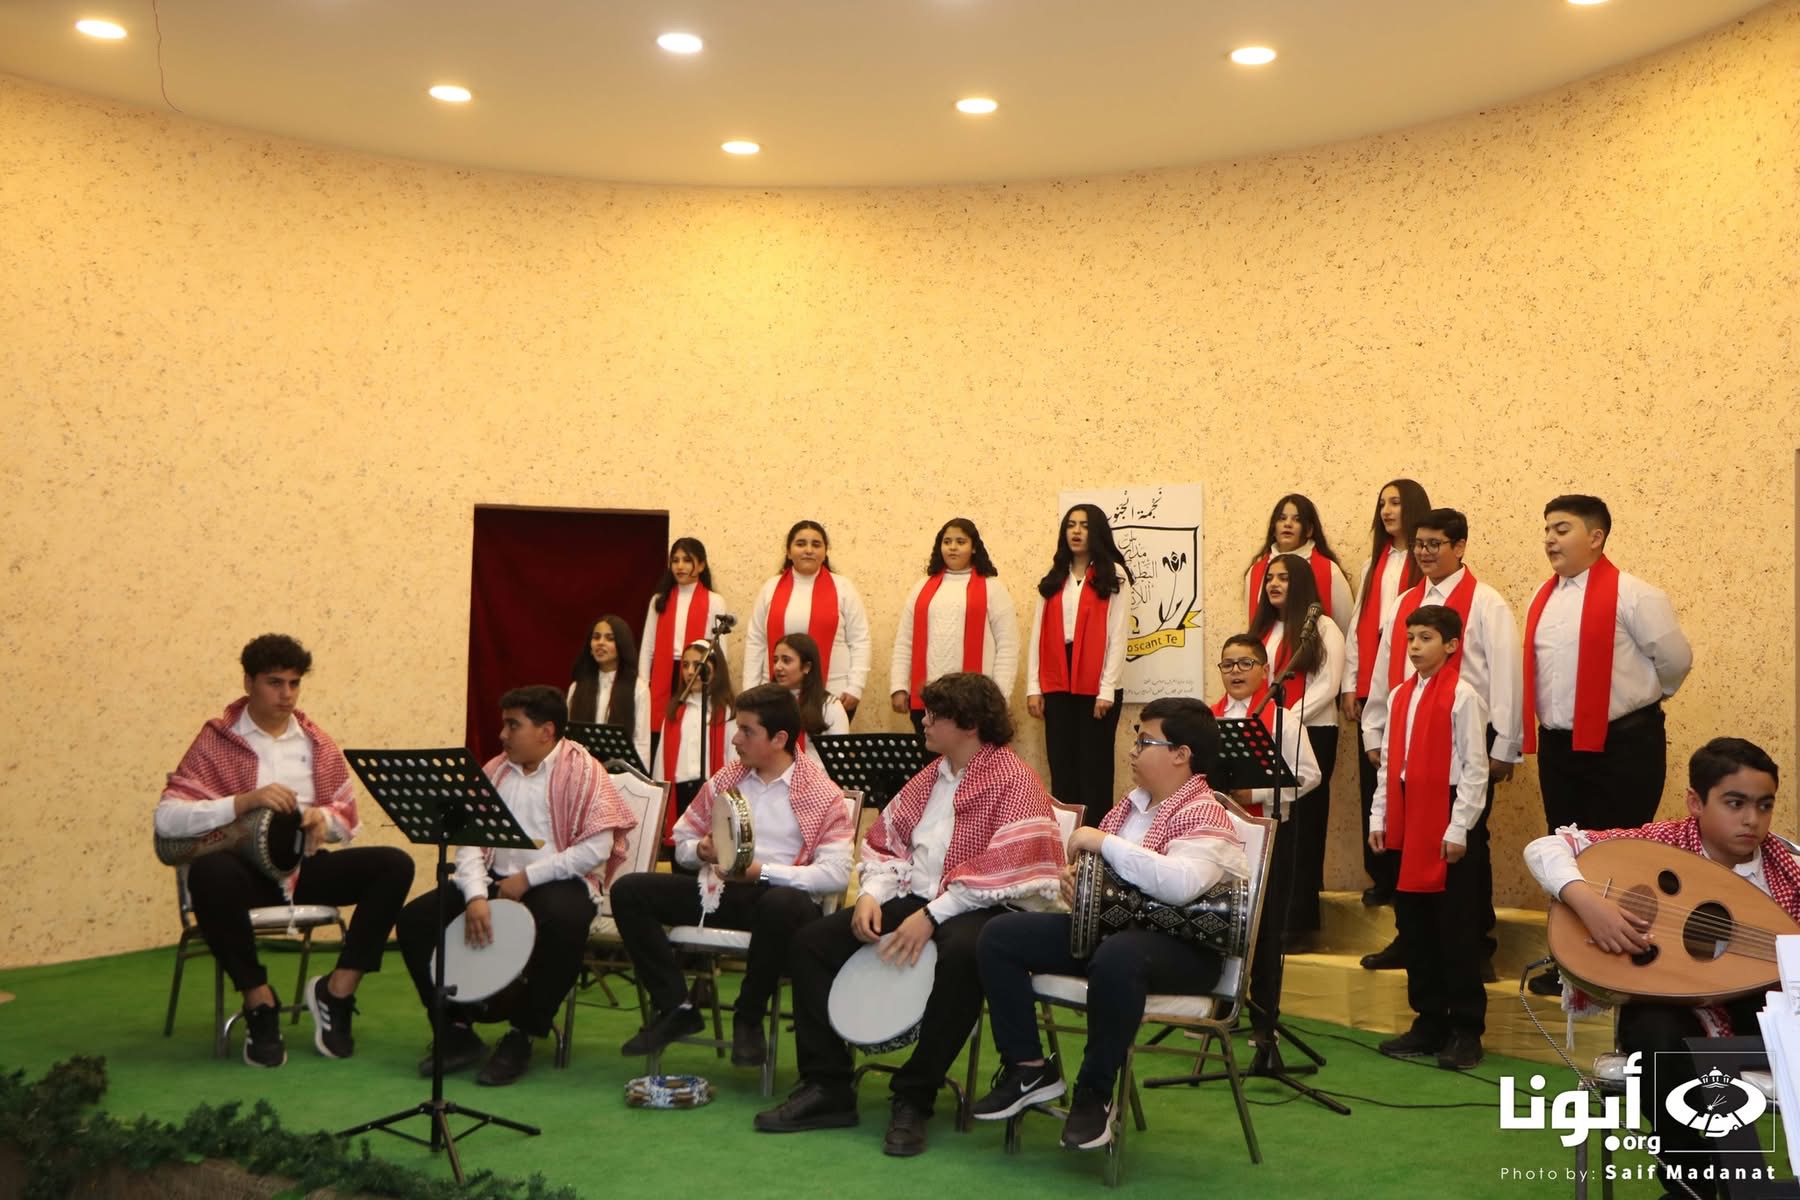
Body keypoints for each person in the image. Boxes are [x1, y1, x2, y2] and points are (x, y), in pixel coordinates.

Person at [754, 673, 1064, 1157]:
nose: (924, 721)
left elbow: (1007, 866)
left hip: (986, 905)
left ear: (969, 724)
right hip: (919, 896)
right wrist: (871, 895)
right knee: (812, 943)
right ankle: (828, 1085)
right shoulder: (930, 776)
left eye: (935, 714)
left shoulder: (1014, 778)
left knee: (965, 953)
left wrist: (933, 916)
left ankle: (915, 1096)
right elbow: (886, 842)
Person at [971, 697, 1250, 1150]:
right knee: (1000, 936)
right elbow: (1109, 884)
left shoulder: (1204, 812)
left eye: (1145, 742)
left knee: (1119, 956)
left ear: (1181, 754)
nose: (1133, 752)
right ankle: (1028, 1068)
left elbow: (1180, 884)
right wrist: (1078, 885)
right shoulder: (1130, 808)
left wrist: (1104, 844)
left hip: (1188, 952)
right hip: (1113, 940)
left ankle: (1094, 1093)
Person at [1523, 738, 1786, 1198]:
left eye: (1764, 806)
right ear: (1695, 802)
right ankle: (1693, 1176)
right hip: (1671, 1008)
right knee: (1651, 1035)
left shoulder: (1787, 869)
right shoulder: (1661, 845)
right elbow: (1545, 848)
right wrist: (1589, 905)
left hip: (1755, 1015)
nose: (1752, 820)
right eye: (1735, 803)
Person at [156, 634, 415, 1067]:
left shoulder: (314, 742)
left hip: (302, 870)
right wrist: (241, 803)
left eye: (294, 683)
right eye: (275, 683)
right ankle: (259, 1000)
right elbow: (166, 818)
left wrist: (322, 820)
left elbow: (348, 821)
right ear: (249, 682)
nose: (287, 694)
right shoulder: (218, 740)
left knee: (394, 865)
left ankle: (336, 992)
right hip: (240, 879)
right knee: (209, 873)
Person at [395, 686, 636, 1086]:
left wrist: (527, 879)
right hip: (492, 880)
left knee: (565, 920)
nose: (502, 735)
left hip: (557, 881)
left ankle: (523, 1033)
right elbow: (469, 843)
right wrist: (475, 896)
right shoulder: (495, 771)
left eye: (513, 725)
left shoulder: (585, 771)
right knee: (415, 921)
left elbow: (596, 848)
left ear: (546, 731)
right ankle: (454, 1029)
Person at [612, 684, 853, 1069]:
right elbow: (682, 840)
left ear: (779, 739)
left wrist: (763, 873)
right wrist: (700, 850)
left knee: (782, 903)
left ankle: (749, 1016)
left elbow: (837, 875)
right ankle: (676, 1007)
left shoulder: (822, 792)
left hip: (779, 905)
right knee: (629, 891)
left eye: (746, 731)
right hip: (719, 891)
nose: (735, 740)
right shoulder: (727, 779)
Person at [1522, 495, 1693, 996]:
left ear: (1595, 537)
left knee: (1619, 855)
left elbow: (1676, 660)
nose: (1550, 539)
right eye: (1547, 529)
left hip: (1623, 746)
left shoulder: (1635, 595)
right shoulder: (1542, 597)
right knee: (1568, 853)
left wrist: (1642, 699)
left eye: (1562, 529)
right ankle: (1569, 964)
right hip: (1560, 749)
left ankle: (1618, 966)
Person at [1360, 507, 1521, 975]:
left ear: (1459, 546)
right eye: (1420, 545)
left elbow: (1507, 675)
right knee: (1405, 841)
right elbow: (1386, 667)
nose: (1425, 553)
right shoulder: (1404, 603)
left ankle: (1474, 946)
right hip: (1409, 729)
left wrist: (1504, 745)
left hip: (1465, 735)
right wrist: (1374, 727)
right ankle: (1412, 940)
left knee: (1467, 844)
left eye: (1435, 544)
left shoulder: (1486, 602)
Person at [1367, 605, 1490, 1070]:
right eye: (1411, 638)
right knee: (1415, 929)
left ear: (1452, 645)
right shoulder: (1400, 695)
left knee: (1455, 930)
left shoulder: (1463, 696)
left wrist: (1459, 827)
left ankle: (1466, 1029)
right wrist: (1379, 818)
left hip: (1446, 812)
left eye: (1426, 638)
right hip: (1406, 813)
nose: (1416, 647)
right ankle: (1429, 1021)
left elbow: (1475, 769)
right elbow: (1389, 766)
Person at [1210, 635, 1321, 1037]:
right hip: (1217, 834)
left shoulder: (1283, 720)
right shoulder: (1208, 719)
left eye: (1245, 663)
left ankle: (1264, 1018)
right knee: (1219, 919)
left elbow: (1309, 775)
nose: (1235, 672)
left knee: (1266, 927)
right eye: (1227, 664)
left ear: (1265, 671)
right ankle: (1220, 1010)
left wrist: (1255, 794)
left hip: (1268, 835)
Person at [1340, 478, 1431, 908]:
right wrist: (1351, 683)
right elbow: (1358, 628)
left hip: (1412, 675)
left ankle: (1411, 872)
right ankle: (1382, 874)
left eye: (1395, 503)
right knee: (1375, 780)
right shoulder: (1372, 565)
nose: (1387, 511)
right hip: (1376, 681)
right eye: (1382, 504)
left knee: (1412, 784)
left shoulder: (1426, 563)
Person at [1247, 552, 1345, 949]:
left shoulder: (1323, 628)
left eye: (1284, 578)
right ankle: (1272, 916)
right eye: (1270, 577)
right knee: (1278, 827)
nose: (1274, 584)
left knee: (1305, 827)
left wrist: (1288, 718)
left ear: (1301, 582)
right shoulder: (1263, 630)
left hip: (1312, 731)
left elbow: (1329, 684)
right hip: (1271, 732)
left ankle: (1300, 922)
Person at [1026, 503, 1133, 825]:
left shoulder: (1114, 575)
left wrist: (1107, 689)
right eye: (1071, 525)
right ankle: (1066, 840)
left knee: (1094, 771)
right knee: (1062, 768)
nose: (1076, 531)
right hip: (1057, 678)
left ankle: (1095, 840)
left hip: (1097, 682)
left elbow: (1118, 635)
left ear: (1096, 531)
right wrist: (1034, 687)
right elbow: (1038, 633)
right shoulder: (1054, 577)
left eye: (1084, 525)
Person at [889, 517, 1021, 732]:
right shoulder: (921, 588)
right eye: (947, 541)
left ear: (974, 548)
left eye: (960, 542)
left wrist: (1000, 697)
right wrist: (899, 687)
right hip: (927, 699)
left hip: (975, 702)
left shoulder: (993, 588)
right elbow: (905, 641)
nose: (952, 547)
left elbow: (1008, 647)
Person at [742, 521, 872, 722]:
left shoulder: (843, 588)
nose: (809, 550)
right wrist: (751, 690)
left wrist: (855, 686)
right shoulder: (770, 588)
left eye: (816, 544)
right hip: (776, 695)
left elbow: (860, 640)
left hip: (833, 693)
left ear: (825, 552)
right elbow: (756, 641)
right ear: (788, 552)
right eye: (801, 544)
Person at [639, 537, 729, 747]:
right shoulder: (659, 600)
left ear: (701, 565)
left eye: (687, 560)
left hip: (695, 672)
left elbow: (719, 649)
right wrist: (643, 683)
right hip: (664, 673)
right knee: (659, 731)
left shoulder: (714, 601)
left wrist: (716, 682)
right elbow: (648, 645)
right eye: (675, 560)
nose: (680, 566)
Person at [1242, 493, 1354, 633]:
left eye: (1297, 519)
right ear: (1273, 529)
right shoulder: (1255, 573)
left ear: (1309, 530)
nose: (1287, 524)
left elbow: (1346, 627)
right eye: (1282, 518)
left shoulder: (1329, 571)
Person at [658, 640, 738, 831]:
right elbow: (661, 761)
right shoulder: (675, 711)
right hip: (680, 792)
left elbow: (734, 759)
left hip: (712, 792)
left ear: (715, 669)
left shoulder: (727, 712)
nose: (690, 671)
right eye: (686, 665)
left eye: (698, 665)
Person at [566, 614, 651, 768]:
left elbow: (642, 743)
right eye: (596, 637)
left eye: (610, 638)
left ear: (622, 645)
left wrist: (638, 778)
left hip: (621, 774)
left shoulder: (638, 688)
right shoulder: (577, 687)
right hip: (581, 772)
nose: (601, 643)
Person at [770, 632, 849, 770]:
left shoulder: (830, 705)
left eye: (786, 660)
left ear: (807, 667)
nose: (778, 667)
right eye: (775, 660)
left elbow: (840, 757)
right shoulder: (767, 703)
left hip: (818, 779)